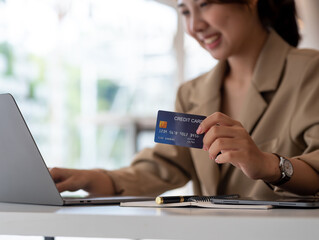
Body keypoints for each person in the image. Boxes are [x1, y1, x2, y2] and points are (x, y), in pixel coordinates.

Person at [50, 0, 319, 198]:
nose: (194, 26)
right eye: (186, 11)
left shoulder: (310, 73)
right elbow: (160, 168)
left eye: (205, 4)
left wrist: (269, 165)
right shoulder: (191, 93)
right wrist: (91, 178)